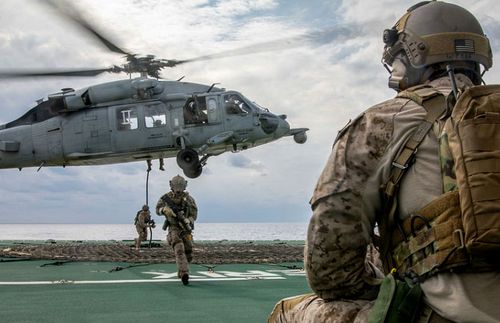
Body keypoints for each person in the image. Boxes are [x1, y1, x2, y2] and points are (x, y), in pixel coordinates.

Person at [269, 1, 500, 322]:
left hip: (445, 316)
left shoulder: (383, 122)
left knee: (288, 313)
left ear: (413, 55)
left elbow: (330, 273)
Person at [156, 175, 198, 285]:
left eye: (180, 187)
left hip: (185, 228)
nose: (178, 190)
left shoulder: (189, 199)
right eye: (176, 186)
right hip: (173, 227)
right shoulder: (166, 198)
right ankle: (184, 273)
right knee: (179, 249)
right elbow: (157, 209)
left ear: (185, 186)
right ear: (171, 185)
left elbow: (194, 214)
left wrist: (189, 220)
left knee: (188, 252)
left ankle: (183, 267)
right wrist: (164, 210)